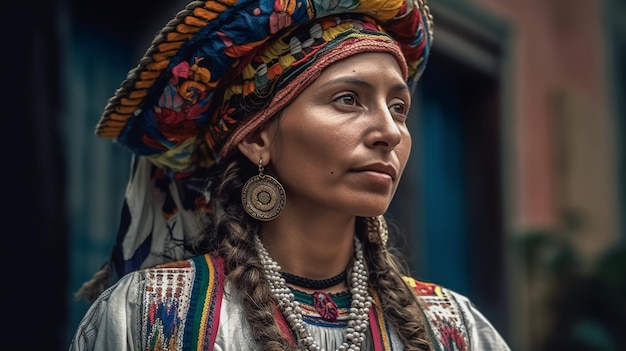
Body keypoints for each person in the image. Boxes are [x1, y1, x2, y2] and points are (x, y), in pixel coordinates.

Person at [69, 0, 512, 350]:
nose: (389, 133)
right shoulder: (150, 315)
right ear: (257, 137)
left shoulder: (454, 328)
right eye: (347, 100)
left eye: (399, 108)